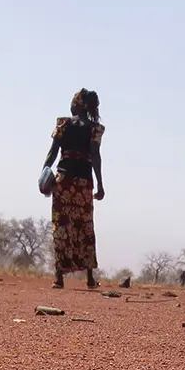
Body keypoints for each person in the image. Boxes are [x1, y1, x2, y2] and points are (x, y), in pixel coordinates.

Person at [43, 89, 104, 288]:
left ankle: (59, 278)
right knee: (85, 227)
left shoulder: (64, 124)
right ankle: (89, 279)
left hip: (64, 180)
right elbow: (95, 157)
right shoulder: (94, 129)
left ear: (77, 104)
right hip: (84, 184)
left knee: (61, 226)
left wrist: (44, 171)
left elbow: (53, 153)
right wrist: (101, 184)